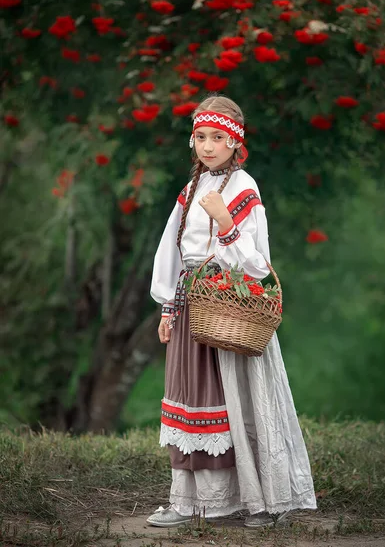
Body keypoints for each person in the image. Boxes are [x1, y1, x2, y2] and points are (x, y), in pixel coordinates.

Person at [147, 94, 317, 528]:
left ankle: (249, 500)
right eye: (201, 137)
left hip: (227, 306)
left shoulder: (245, 187)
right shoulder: (189, 190)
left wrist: (225, 222)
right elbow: (172, 248)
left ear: (235, 142)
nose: (207, 146)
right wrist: (168, 306)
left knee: (229, 401)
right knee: (187, 398)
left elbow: (259, 265)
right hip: (191, 308)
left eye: (217, 138)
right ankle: (188, 502)